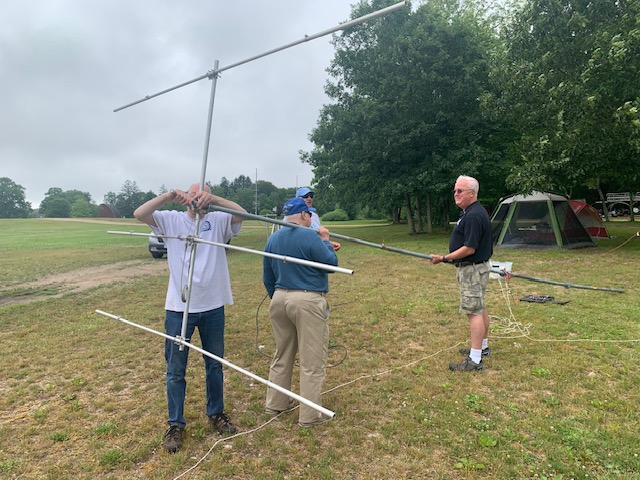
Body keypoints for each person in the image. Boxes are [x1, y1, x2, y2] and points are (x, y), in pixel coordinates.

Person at [133, 183, 247, 453]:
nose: (199, 200)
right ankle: (175, 424)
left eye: (204, 195)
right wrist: (168, 196)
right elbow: (139, 213)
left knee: (214, 364)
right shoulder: (171, 220)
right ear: (186, 196)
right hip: (179, 307)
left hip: (213, 305)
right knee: (176, 369)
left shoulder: (218, 220)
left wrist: (215, 199)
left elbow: (243, 214)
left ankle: (216, 413)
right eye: (195, 195)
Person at [262, 197, 338, 427]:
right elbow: (331, 264)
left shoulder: (273, 238)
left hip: (279, 298)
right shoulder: (310, 236)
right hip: (307, 299)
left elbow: (267, 276)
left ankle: (275, 403)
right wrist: (325, 240)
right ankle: (309, 415)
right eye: (310, 215)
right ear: (305, 215)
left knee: (282, 354)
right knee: (311, 359)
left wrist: (278, 296)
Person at [430, 175, 492, 372]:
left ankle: (475, 360)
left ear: (472, 193)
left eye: (460, 191)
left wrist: (444, 258)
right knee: (479, 307)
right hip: (476, 268)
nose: (455, 194)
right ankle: (482, 347)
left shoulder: (473, 215)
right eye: (455, 191)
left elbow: (469, 248)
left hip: (472, 270)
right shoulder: (471, 212)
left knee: (473, 312)